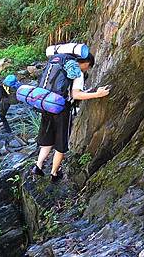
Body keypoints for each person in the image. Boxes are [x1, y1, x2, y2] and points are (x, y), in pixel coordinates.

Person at [31, 53, 110, 182]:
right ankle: (54, 173)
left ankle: (38, 167)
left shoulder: (61, 67)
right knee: (61, 143)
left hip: (47, 104)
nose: (87, 69)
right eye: (88, 66)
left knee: (47, 140)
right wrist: (97, 94)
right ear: (85, 63)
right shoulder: (77, 72)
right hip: (62, 109)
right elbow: (76, 95)